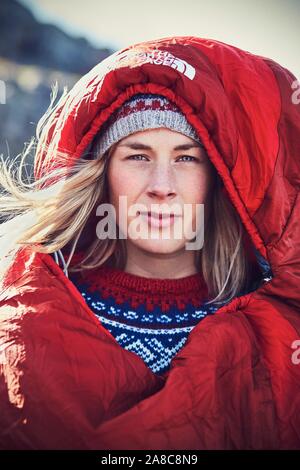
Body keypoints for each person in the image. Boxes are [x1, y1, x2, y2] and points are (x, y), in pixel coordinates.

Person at [0, 35, 299, 450]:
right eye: (137, 156)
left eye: (186, 158)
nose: (162, 187)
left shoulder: (274, 336)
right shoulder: (27, 316)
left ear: (219, 180)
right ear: (102, 174)